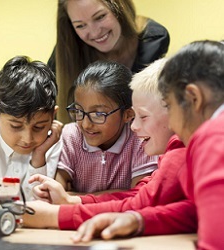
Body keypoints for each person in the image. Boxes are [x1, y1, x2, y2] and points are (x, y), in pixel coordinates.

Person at [71, 40, 224, 250]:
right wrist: (139, 220)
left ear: (194, 98)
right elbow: (197, 210)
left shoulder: (213, 136)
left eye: (170, 106)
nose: (172, 122)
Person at [23, 59, 197, 236]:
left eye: (143, 116)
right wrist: (73, 201)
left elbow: (141, 202)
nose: (134, 126)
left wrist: (55, 216)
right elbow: (142, 197)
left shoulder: (180, 149)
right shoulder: (173, 149)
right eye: (79, 111)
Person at [48, 0, 170, 124]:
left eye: (100, 17)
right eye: (80, 25)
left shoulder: (153, 39)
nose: (95, 32)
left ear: (120, 8)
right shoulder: (66, 52)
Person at [54, 60, 157, 193]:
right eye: (79, 111)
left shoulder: (141, 140)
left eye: (98, 114)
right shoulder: (71, 136)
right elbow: (57, 195)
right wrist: (119, 193)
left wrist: (75, 197)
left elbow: (138, 196)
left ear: (128, 114)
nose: (85, 124)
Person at [0, 56, 63, 200]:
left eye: (39, 127)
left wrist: (39, 157)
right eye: (16, 126)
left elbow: (41, 203)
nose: (28, 138)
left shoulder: (54, 142)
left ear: (53, 116)